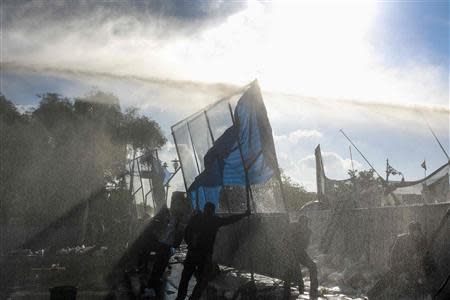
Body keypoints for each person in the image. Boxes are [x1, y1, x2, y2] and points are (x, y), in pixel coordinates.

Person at [175, 202, 250, 300]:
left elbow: (186, 232)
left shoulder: (196, 218)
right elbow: (229, 220)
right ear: (213, 211)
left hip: (192, 254)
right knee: (202, 280)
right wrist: (244, 214)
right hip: (205, 256)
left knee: (185, 278)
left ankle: (180, 298)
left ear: (204, 209)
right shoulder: (214, 220)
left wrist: (191, 244)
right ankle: (194, 298)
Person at [367, 220, 438, 299]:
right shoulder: (401, 239)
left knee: (421, 284)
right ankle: (370, 295)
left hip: (417, 268)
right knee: (387, 279)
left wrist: (421, 267)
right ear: (410, 231)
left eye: (418, 231)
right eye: (414, 231)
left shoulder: (422, 240)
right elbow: (393, 255)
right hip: (402, 266)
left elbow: (426, 256)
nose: (416, 233)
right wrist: (396, 266)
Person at [283, 215, 319, 299]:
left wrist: (304, 237)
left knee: (313, 266)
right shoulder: (292, 228)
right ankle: (287, 291)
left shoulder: (308, 232)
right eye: (303, 223)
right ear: (299, 223)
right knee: (291, 269)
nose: (304, 225)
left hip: (300, 253)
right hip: (290, 252)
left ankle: (314, 290)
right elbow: (285, 240)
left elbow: (305, 246)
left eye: (306, 223)